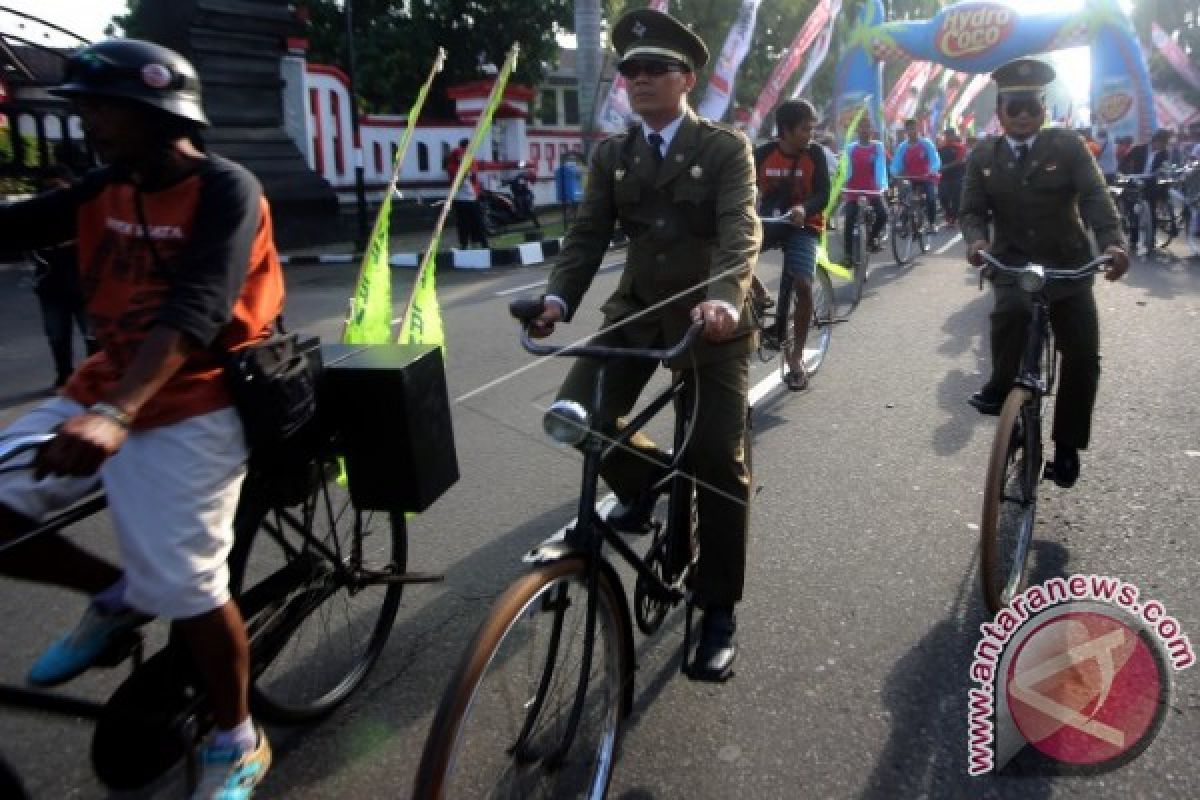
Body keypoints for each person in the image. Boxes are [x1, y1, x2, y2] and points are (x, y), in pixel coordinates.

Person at [0, 39, 283, 799]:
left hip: (197, 399)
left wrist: (118, 415)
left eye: (102, 110)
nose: (89, 123)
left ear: (155, 116)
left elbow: (198, 308)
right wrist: (104, 405)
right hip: (103, 388)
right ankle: (116, 592)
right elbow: (16, 226)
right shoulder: (107, 187)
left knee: (190, 584)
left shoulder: (227, 190)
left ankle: (237, 738)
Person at [526, 8, 760, 682]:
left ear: (686, 78)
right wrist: (557, 300)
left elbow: (740, 231)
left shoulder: (724, 148)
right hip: (636, 312)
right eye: (630, 69)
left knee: (718, 459)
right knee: (574, 419)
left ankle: (717, 607)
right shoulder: (613, 154)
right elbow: (586, 237)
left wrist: (724, 296)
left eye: (656, 68)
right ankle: (652, 478)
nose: (639, 79)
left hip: (713, 318)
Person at [960, 57, 1129, 489]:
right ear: (1000, 111)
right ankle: (1001, 390)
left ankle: (1068, 445)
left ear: (1044, 107)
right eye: (1013, 106)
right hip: (1013, 263)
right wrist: (976, 240)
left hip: (1069, 267)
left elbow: (1094, 197)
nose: (1022, 115)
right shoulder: (983, 155)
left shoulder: (1068, 147)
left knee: (1084, 356)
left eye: (1031, 105)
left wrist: (1112, 242)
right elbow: (971, 212)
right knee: (1011, 312)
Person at [754, 99, 829, 390]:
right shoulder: (761, 154)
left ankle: (796, 357)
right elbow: (744, 187)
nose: (811, 134)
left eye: (811, 128)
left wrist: (805, 209)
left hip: (803, 225)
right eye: (805, 129)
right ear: (785, 130)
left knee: (802, 284)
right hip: (770, 222)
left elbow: (823, 194)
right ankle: (760, 293)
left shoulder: (816, 155)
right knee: (727, 258)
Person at [28, 165, 98, 390]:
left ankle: (93, 377)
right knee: (57, 335)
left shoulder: (85, 213)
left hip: (84, 286)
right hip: (51, 287)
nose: (52, 195)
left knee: (93, 336)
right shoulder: (38, 217)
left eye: (57, 188)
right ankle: (65, 376)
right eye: (46, 188)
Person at [1118, 128, 1173, 256]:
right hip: (1135, 181)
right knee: (1133, 212)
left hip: (1151, 183)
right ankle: (1134, 240)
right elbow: (1123, 163)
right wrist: (1124, 174)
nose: (1162, 146)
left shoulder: (1164, 153)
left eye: (1165, 144)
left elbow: (1165, 167)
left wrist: (1163, 171)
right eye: (1162, 143)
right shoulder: (1139, 149)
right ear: (1155, 140)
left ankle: (1151, 239)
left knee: (1152, 210)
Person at [841, 116, 888, 256]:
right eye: (861, 127)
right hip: (853, 191)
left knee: (883, 215)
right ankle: (848, 255)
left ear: (871, 130)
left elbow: (881, 168)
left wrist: (883, 185)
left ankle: (872, 239)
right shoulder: (850, 148)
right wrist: (841, 185)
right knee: (849, 218)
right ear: (857, 130)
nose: (864, 130)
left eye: (867, 126)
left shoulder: (878, 146)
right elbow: (843, 169)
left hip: (873, 190)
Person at [890, 118, 941, 232]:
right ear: (905, 131)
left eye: (913, 128)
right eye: (908, 129)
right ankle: (903, 222)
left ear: (917, 129)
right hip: (910, 178)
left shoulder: (926, 143)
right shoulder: (902, 147)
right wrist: (894, 172)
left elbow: (935, 159)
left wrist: (933, 169)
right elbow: (896, 163)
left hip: (926, 177)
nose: (911, 131)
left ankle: (932, 223)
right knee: (903, 198)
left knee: (931, 198)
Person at [446, 138, 489, 249]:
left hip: (471, 197)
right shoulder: (453, 165)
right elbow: (458, 178)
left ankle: (482, 243)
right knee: (463, 223)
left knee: (478, 222)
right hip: (460, 199)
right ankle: (465, 244)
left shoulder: (471, 161)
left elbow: (474, 177)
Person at [936, 127, 967, 225]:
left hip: (957, 175)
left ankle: (954, 216)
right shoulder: (940, 148)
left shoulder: (960, 147)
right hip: (944, 176)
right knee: (942, 196)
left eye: (950, 135)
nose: (948, 137)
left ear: (954, 135)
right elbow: (936, 160)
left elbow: (960, 160)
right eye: (946, 135)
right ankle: (948, 213)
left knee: (956, 198)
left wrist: (947, 166)